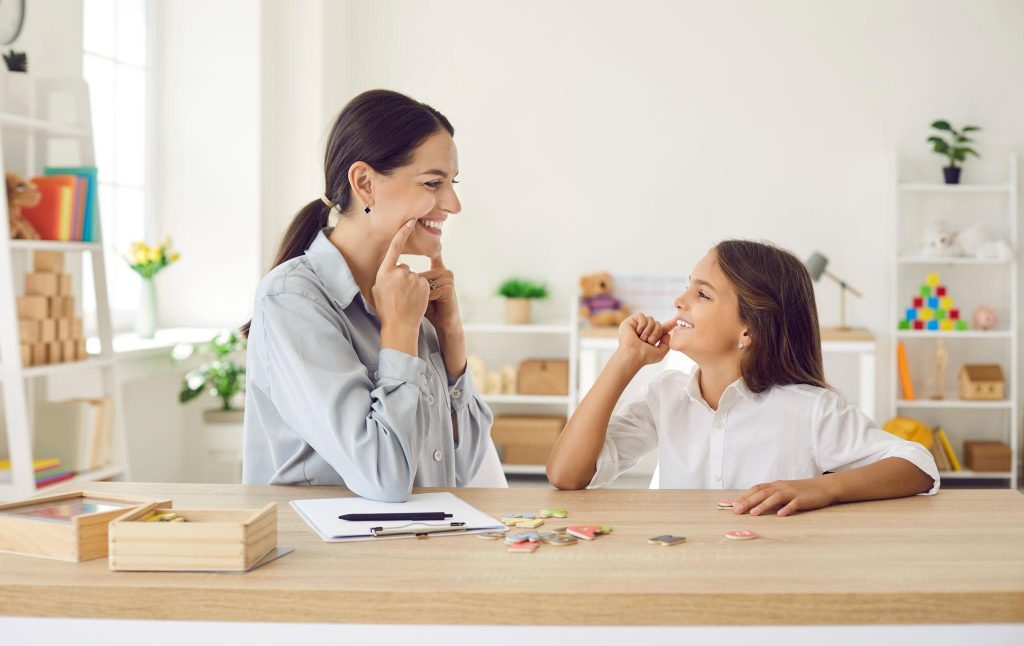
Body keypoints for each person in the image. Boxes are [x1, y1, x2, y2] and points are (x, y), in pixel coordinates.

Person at [242, 89, 505, 501]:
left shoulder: (407, 298)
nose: (452, 203)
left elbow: (463, 466)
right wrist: (398, 333)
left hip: (415, 548)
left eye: (451, 183)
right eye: (434, 182)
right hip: (327, 559)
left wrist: (451, 338)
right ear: (365, 183)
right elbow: (386, 478)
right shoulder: (293, 300)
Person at [546, 240, 938, 515]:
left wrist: (822, 489)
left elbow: (917, 464)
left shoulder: (810, 408)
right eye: (687, 289)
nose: (679, 301)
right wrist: (625, 359)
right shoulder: (665, 395)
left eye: (702, 295)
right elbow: (566, 474)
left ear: (748, 331)